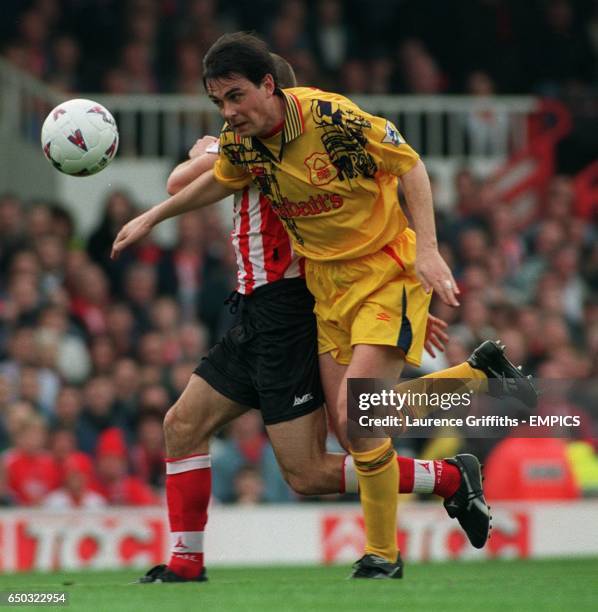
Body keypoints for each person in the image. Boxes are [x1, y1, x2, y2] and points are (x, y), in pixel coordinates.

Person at [112, 47, 536, 582]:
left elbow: (409, 164)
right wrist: (150, 218)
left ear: (271, 88)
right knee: (230, 435)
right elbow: (206, 179)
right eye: (219, 102)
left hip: (353, 283)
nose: (228, 111)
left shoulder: (330, 118)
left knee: (354, 425)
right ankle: (464, 424)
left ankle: (387, 550)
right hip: (311, 291)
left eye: (235, 97)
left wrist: (425, 254)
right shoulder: (246, 145)